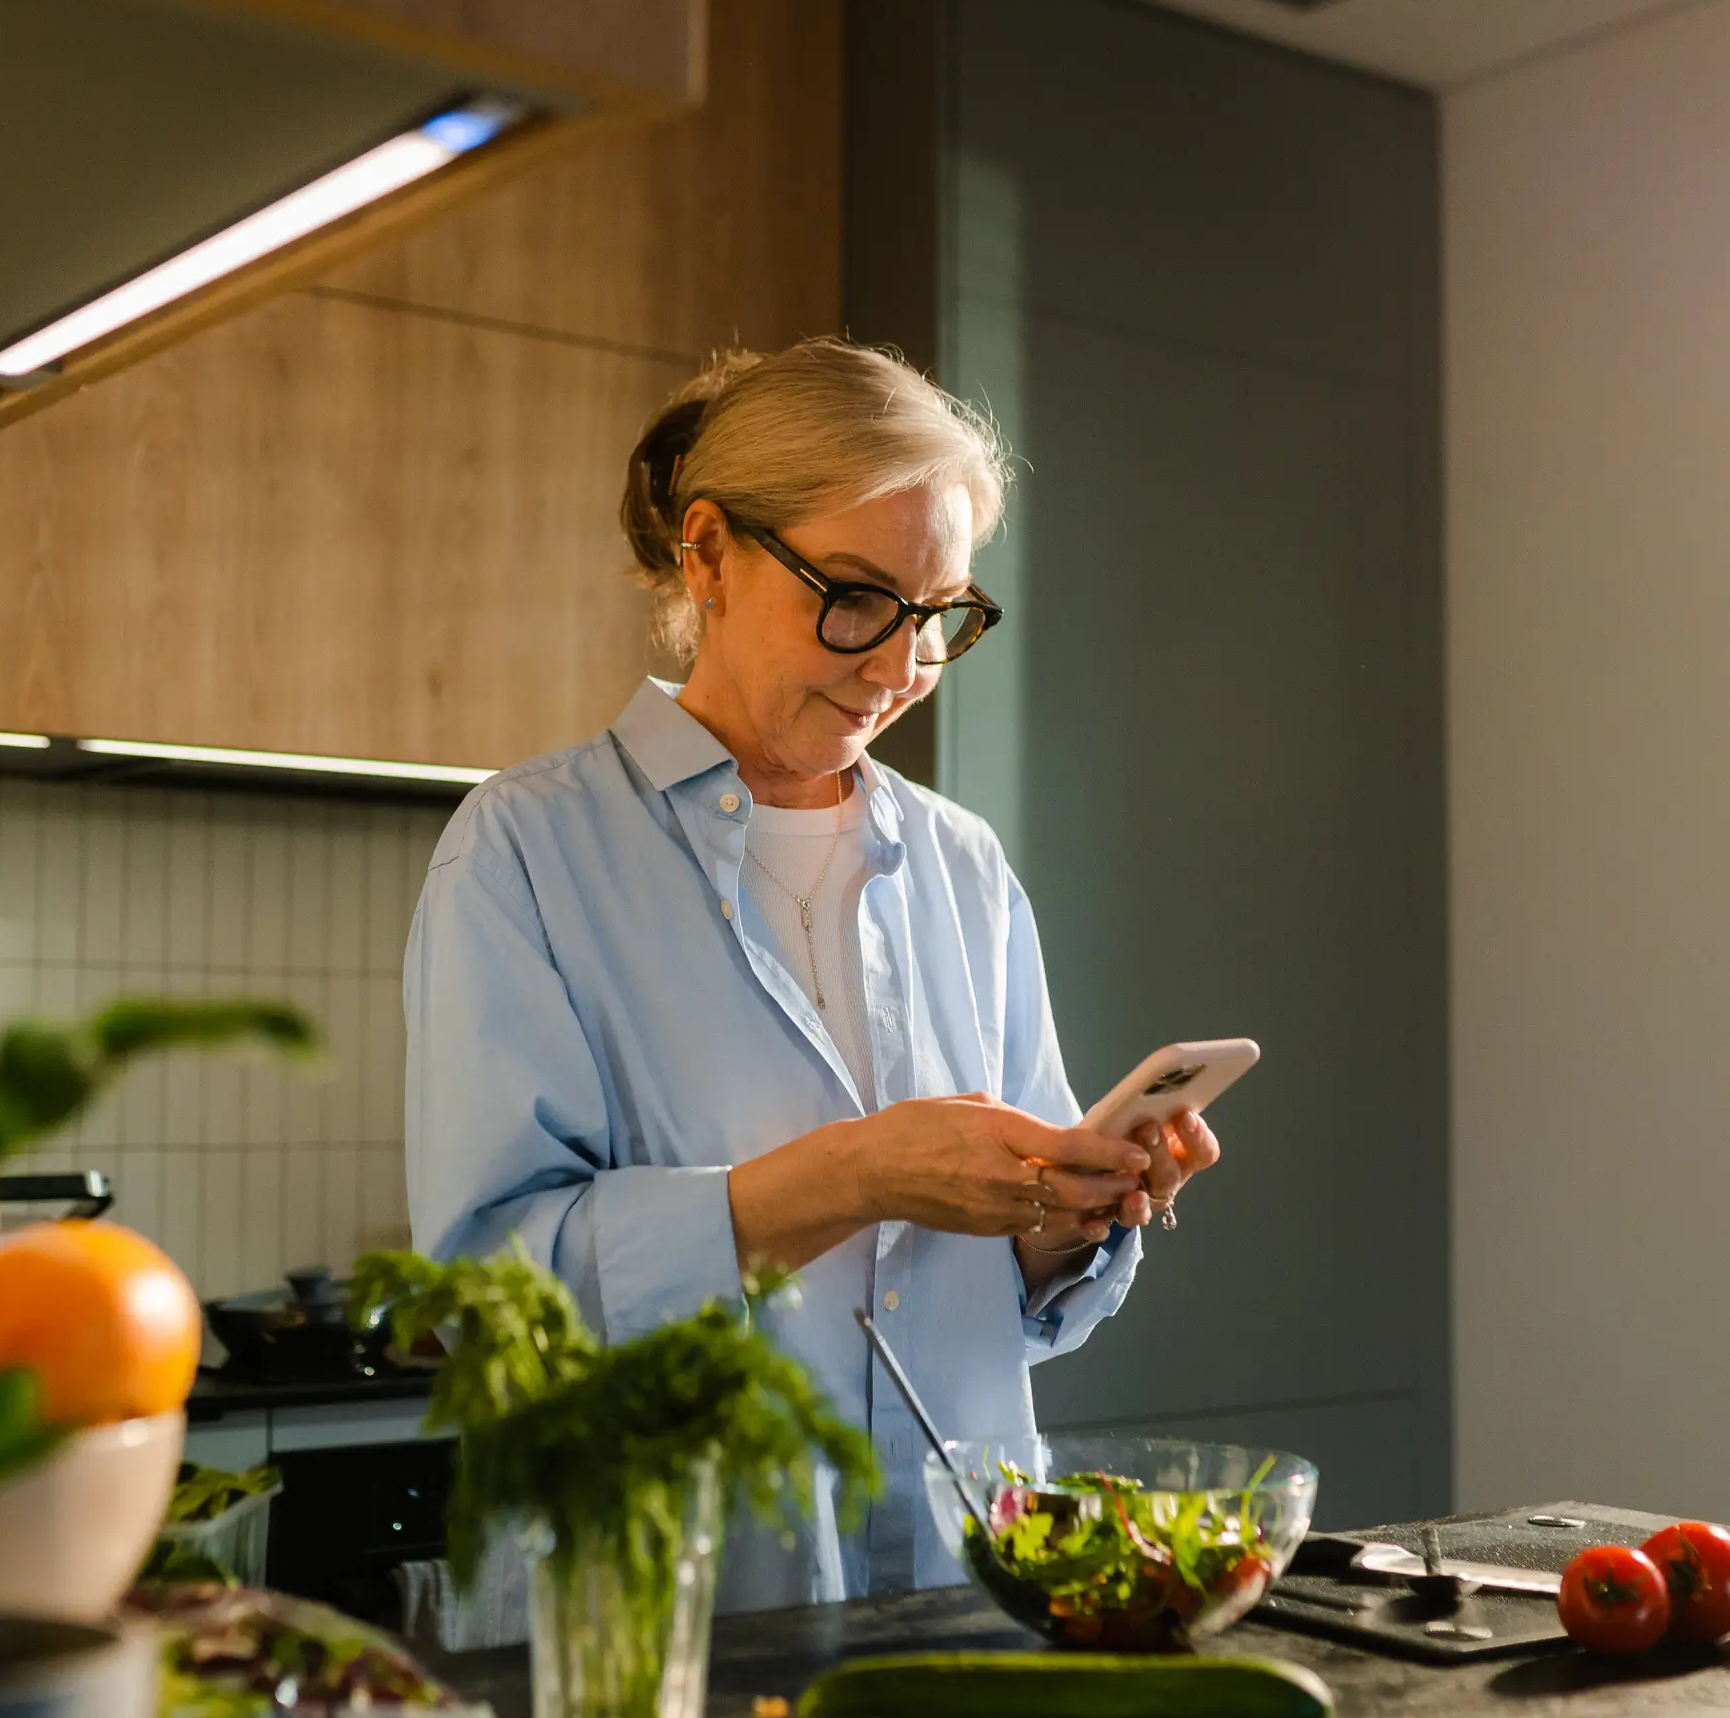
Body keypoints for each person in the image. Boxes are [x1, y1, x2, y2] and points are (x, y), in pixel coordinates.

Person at [404, 337, 1224, 1608]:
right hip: (659, 1621)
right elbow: (489, 1302)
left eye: (938, 614)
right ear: (711, 553)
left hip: (966, 1591)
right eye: (854, 598)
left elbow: (1008, 1296)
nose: (898, 667)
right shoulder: (527, 848)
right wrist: (855, 1173)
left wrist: (1073, 1212)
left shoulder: (960, 864)